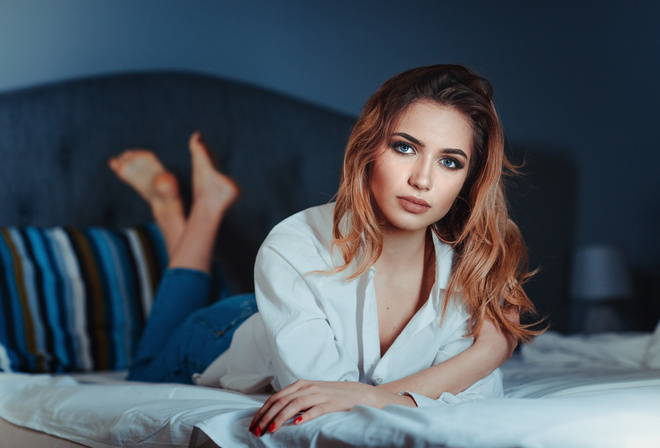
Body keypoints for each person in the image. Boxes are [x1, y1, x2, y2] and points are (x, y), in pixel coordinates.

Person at [109, 64, 540, 438]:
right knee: (143, 370)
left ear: (469, 180)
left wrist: (485, 356)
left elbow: (474, 396)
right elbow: (323, 401)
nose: (423, 180)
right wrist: (483, 355)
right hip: (227, 333)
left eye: (450, 161)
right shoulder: (293, 244)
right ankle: (193, 211)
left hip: (282, 306)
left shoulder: (473, 269)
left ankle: (185, 211)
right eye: (404, 147)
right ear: (370, 149)